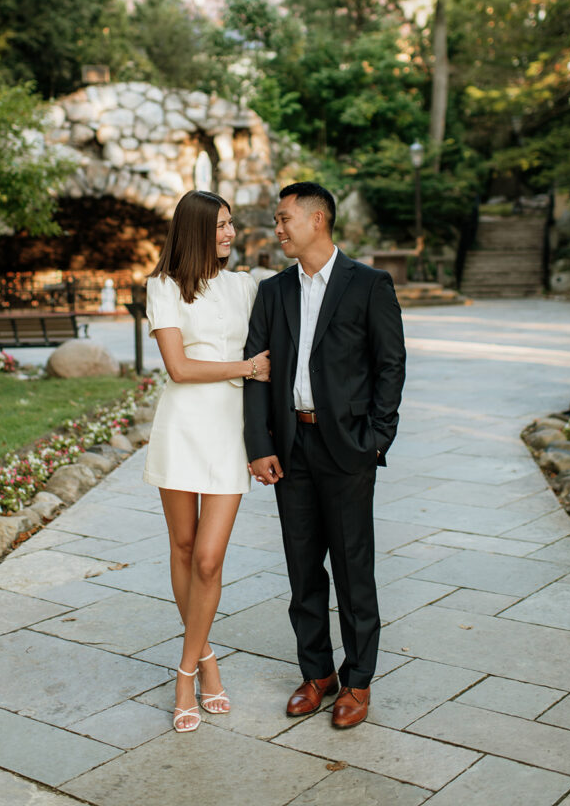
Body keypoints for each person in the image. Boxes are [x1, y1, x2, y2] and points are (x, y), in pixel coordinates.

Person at [244, 181, 405, 729]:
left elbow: (390, 365)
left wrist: (377, 439)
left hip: (348, 448)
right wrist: (260, 445)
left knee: (353, 568)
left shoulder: (369, 284)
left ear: (317, 220)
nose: (278, 227)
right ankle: (318, 674)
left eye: (284, 217)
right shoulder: (273, 291)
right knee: (302, 569)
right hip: (292, 449)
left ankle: (358, 680)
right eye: (276, 218)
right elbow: (257, 374)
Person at [143, 190, 270, 733]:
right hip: (181, 428)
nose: (230, 232)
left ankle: (186, 670)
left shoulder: (245, 285)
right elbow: (178, 368)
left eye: (231, 223)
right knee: (184, 546)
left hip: (228, 434)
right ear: (196, 230)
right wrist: (245, 367)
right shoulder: (163, 287)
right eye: (220, 225)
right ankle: (206, 662)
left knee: (210, 559)